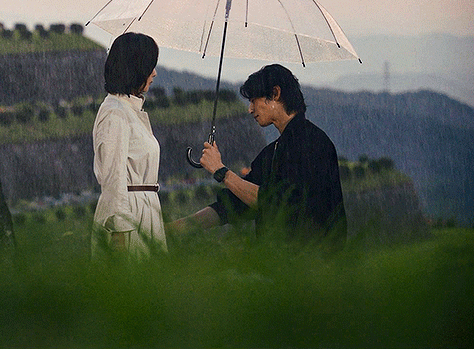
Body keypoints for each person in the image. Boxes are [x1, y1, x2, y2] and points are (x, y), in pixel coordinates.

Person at [167, 64, 346, 246]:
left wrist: (221, 172)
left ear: (275, 93)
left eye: (254, 100)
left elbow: (275, 204)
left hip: (314, 259)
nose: (250, 109)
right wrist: (173, 229)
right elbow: (234, 205)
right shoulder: (272, 153)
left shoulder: (312, 143)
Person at [91, 32, 167, 259]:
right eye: (150, 66)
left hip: (143, 211)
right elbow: (113, 177)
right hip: (130, 217)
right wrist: (120, 234)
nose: (154, 73)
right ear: (137, 68)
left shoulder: (128, 110)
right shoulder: (115, 113)